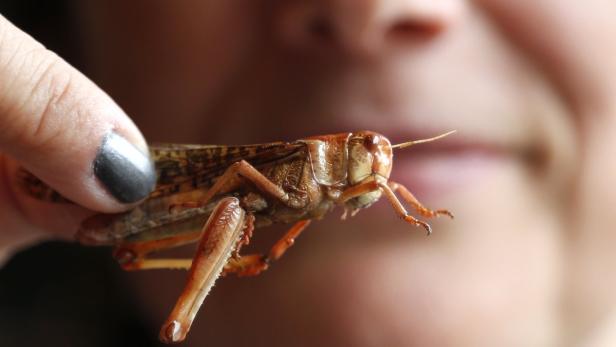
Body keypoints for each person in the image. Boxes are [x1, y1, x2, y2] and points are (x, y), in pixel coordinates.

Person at [1, 0, 616, 345]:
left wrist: (409, 210)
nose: (370, 9)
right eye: (367, 151)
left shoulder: (365, 178)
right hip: (186, 194)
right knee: (237, 201)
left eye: (383, 154)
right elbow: (243, 173)